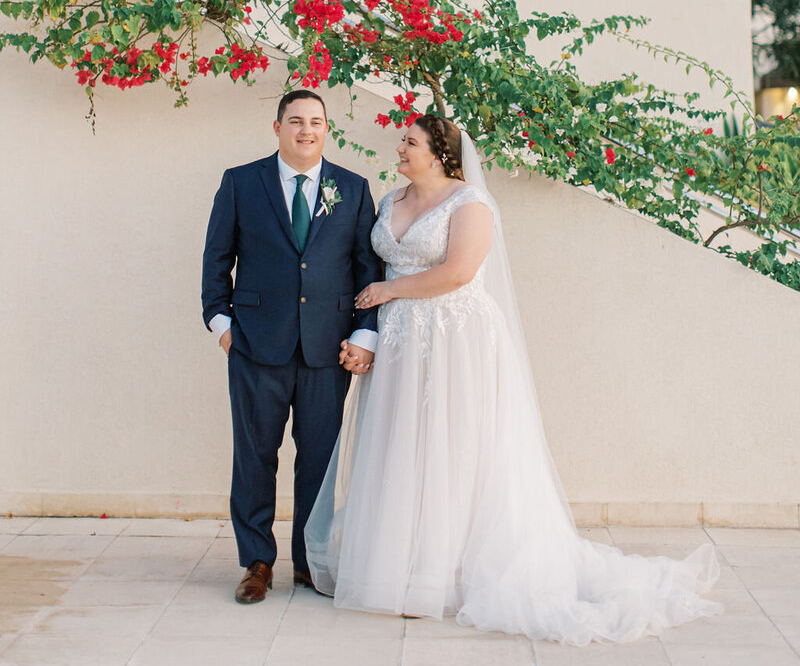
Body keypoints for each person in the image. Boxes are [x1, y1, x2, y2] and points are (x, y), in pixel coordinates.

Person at [305, 114, 723, 645]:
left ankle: (444, 572)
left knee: (453, 448)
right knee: (400, 446)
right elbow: (375, 263)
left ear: (439, 153)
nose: (401, 146)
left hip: (455, 339)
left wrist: (389, 292)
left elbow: (458, 271)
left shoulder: (470, 204)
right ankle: (399, 564)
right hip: (399, 344)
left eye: (410, 141)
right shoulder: (389, 201)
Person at [201, 89, 382, 604]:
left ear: (327, 130)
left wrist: (364, 333)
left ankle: (310, 562)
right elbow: (216, 259)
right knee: (255, 456)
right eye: (296, 120)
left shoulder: (352, 188)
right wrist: (221, 324)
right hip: (256, 345)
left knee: (319, 459)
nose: (307, 130)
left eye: (317, 122)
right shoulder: (241, 182)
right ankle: (258, 561)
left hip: (328, 349)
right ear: (276, 126)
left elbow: (368, 271)